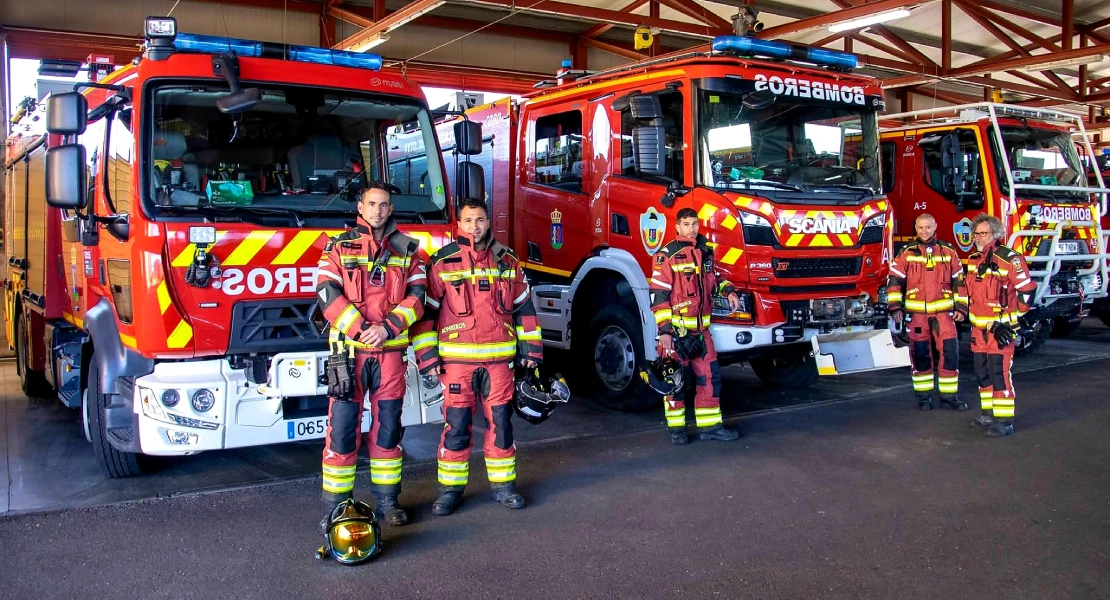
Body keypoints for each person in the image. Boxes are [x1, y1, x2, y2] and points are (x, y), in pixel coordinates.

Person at [411, 198, 543, 515]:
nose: (475, 226)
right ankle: (450, 492)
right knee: (456, 429)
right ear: (459, 224)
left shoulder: (507, 261)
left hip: (499, 364)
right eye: (469, 220)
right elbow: (425, 314)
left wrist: (531, 350)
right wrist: (427, 357)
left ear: (488, 223)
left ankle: (504, 488)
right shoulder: (443, 262)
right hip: (457, 366)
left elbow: (524, 307)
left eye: (480, 220)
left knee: (501, 426)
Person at [316, 181, 427, 526]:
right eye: (372, 204)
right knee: (342, 431)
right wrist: (361, 328)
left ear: (390, 210)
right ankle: (336, 508)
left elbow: (418, 297)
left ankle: (388, 503)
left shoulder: (409, 250)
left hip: (390, 354)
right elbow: (325, 292)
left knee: (389, 430)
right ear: (360, 208)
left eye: (384, 205)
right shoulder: (337, 247)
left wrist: (388, 327)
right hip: (348, 356)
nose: (378, 210)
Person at [649, 207, 743, 445]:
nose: (692, 229)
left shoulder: (705, 252)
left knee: (710, 380)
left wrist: (729, 291)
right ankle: (677, 431)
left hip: (702, 334)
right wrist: (665, 331)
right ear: (678, 227)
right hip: (676, 334)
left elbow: (716, 280)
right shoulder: (667, 255)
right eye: (687, 224)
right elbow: (659, 296)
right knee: (674, 383)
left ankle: (710, 427)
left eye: (695, 224)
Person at [959, 213, 1036, 437]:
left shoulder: (1009, 258)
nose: (979, 237)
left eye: (984, 233)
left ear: (996, 234)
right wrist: (963, 311)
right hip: (978, 330)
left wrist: (1014, 318)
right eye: (976, 233)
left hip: (1000, 330)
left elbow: (1027, 290)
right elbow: (966, 290)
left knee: (999, 374)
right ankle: (988, 414)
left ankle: (1004, 421)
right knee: (982, 373)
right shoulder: (973, 259)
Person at [886, 214, 968, 411]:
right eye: (921, 227)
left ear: (935, 226)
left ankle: (949, 399)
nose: (924, 231)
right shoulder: (907, 253)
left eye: (928, 227)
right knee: (920, 356)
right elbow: (895, 282)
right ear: (916, 228)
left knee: (950, 355)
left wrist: (962, 308)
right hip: (917, 317)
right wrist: (895, 308)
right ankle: (924, 399)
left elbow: (959, 282)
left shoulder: (948, 251)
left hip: (944, 315)